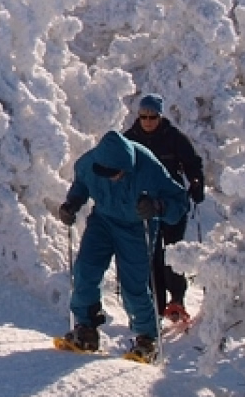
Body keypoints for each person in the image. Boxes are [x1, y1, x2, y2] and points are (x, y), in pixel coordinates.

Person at [55, 129, 190, 361]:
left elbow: (180, 202)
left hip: (136, 226)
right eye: (105, 173)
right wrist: (72, 203)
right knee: (85, 269)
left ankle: (147, 338)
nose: (111, 177)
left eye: (116, 173)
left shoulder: (149, 168)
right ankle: (86, 327)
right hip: (102, 220)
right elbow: (82, 185)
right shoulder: (88, 163)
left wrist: (158, 207)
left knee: (133, 284)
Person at [122, 93, 207, 328]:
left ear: (160, 116)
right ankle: (156, 306)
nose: (148, 121)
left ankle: (177, 299)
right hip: (145, 206)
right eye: (144, 116)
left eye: (152, 117)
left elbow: (192, 163)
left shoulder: (173, 137)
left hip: (172, 203)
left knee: (172, 251)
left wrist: (197, 184)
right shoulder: (129, 139)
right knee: (151, 254)